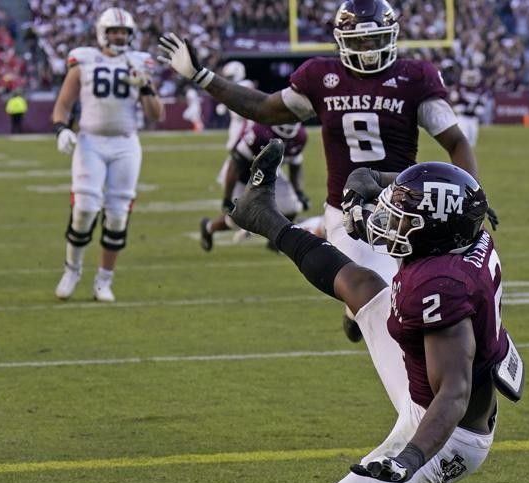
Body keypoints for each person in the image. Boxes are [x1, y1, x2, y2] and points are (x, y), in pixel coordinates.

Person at [225, 138, 523, 483]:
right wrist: (375, 179)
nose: (390, 222)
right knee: (362, 286)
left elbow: (453, 393)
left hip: (446, 431)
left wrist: (412, 456)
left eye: (405, 218)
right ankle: (265, 217)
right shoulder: (463, 230)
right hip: (427, 371)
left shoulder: (440, 286)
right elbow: (431, 189)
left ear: (434, 232)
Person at [157, 0, 479, 342]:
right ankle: (365, 316)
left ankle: (356, 311)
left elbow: (456, 141)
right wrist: (201, 76)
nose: (368, 50)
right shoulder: (322, 78)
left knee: (436, 292)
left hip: (406, 206)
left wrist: (472, 196)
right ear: (342, 42)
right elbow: (263, 108)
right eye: (360, 41)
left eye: (375, 40)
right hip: (349, 209)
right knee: (387, 305)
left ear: (392, 37)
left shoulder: (414, 77)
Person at [51, 7, 165, 302]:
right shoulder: (84, 60)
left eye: (124, 32)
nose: (119, 36)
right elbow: (63, 103)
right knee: (85, 209)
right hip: (91, 141)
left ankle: (104, 280)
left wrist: (146, 87)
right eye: (115, 31)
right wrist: (62, 128)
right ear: (103, 33)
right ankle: (72, 268)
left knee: (116, 216)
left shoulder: (139, 63)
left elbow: (156, 115)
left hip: (126, 144)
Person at [199, 122, 310, 251]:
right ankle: (208, 227)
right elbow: (236, 163)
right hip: (243, 175)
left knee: (291, 206)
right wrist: (227, 198)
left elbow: (295, 166)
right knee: (238, 219)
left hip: (270, 174)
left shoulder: (300, 136)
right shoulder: (260, 132)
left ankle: (276, 241)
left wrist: (299, 192)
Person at [449, 68, 489, 146]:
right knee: (464, 140)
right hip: (462, 118)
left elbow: (482, 103)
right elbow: (453, 101)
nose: (471, 80)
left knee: (472, 142)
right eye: (469, 78)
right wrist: (457, 107)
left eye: (472, 78)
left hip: (473, 119)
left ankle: (467, 158)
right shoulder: (459, 87)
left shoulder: (480, 89)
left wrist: (479, 108)